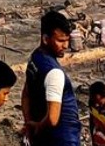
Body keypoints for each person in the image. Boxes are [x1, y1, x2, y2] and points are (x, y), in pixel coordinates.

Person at [21, 10, 81, 146]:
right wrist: (35, 127)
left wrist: (29, 123)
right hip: (63, 139)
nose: (65, 46)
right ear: (46, 39)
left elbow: (26, 94)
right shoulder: (54, 72)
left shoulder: (34, 58)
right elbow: (53, 119)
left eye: (67, 40)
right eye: (60, 41)